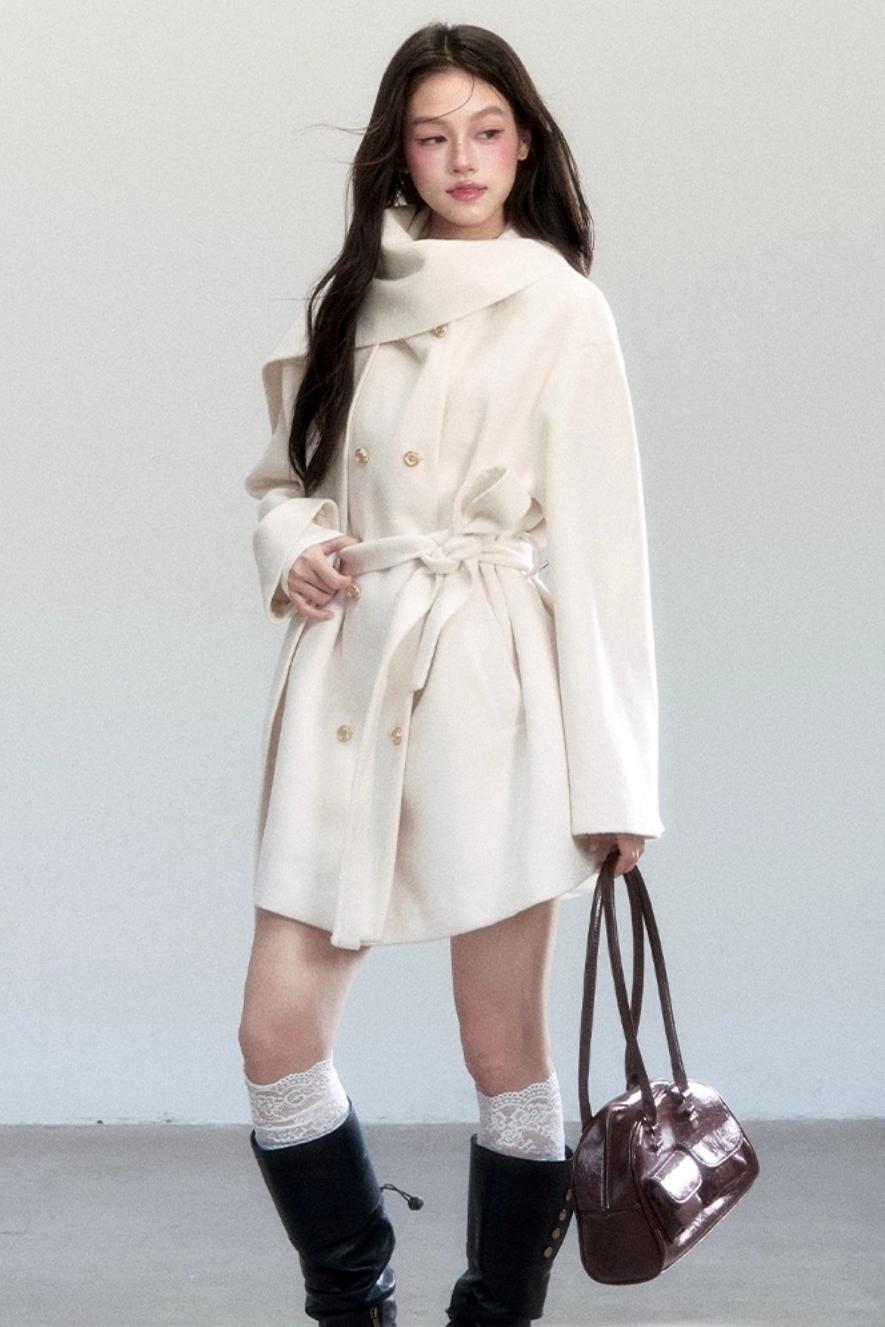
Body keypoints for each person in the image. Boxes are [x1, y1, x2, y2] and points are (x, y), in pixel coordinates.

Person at [237, 21, 665, 1327]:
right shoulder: (353, 296)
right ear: (399, 153)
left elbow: (604, 552)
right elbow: (288, 481)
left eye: (486, 131)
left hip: (492, 683)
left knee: (503, 1048)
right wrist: (295, 547)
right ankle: (352, 1301)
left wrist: (617, 784)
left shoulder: (560, 305)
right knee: (275, 1034)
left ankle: (494, 1315)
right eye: (433, 136)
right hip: (351, 677)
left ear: (523, 143)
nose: (462, 158)